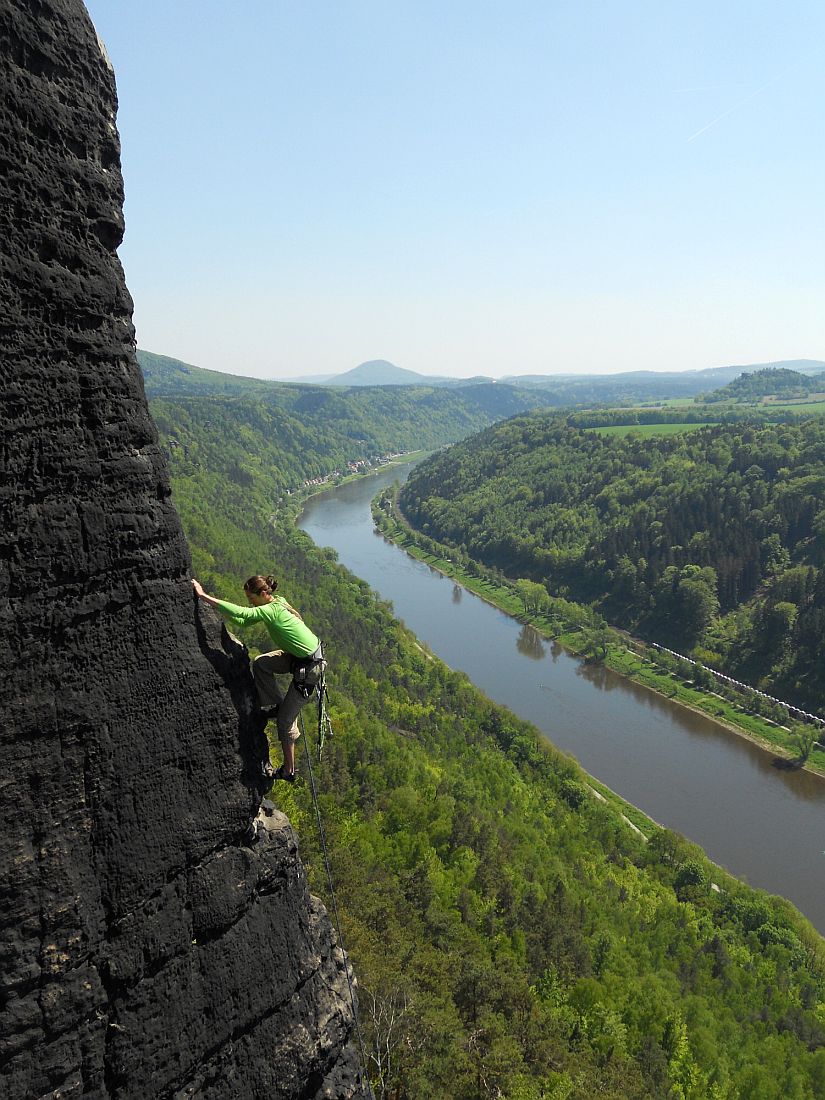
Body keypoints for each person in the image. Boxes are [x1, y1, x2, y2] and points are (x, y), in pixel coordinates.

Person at [192, 574, 323, 782]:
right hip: (297, 657)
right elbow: (244, 620)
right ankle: (276, 704)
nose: (250, 602)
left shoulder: (270, 609)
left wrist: (203, 596)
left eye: (252, 598)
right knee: (262, 663)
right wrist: (218, 609)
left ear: (263, 594)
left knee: (285, 722)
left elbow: (243, 613)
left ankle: (289, 771)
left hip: (309, 668)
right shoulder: (276, 602)